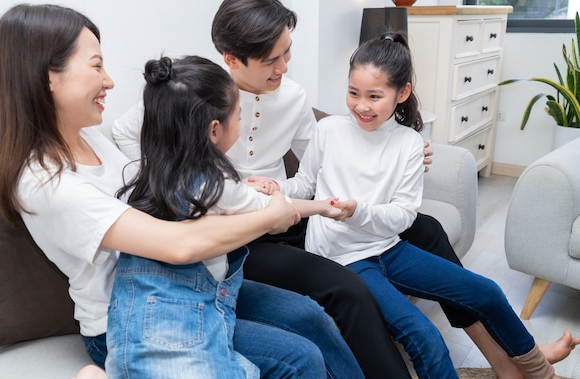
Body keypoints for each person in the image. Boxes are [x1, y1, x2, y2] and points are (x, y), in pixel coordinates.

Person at [112, 0, 578, 377]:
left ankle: (508, 360)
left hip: (291, 210)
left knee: (430, 230)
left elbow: (323, 153)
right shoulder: (191, 95)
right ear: (233, 60)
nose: (286, 67)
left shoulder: (292, 97)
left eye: (288, 52)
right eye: (274, 59)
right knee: (347, 287)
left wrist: (399, 153)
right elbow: (131, 142)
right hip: (248, 227)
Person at [0, 4, 366, 378]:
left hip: (195, 285)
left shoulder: (91, 139)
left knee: (309, 316)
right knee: (298, 358)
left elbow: (168, 191)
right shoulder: (43, 182)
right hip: (134, 319)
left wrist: (233, 193)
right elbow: (177, 244)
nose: (110, 81)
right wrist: (269, 216)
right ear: (48, 76)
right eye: (96, 65)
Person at [270, 31, 570, 379]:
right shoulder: (329, 131)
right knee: (425, 336)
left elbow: (402, 216)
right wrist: (273, 187)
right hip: (343, 258)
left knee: (486, 291)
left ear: (403, 93)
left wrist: (357, 211)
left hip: (388, 247)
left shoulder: (411, 143)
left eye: (374, 96)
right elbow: (304, 184)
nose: (361, 105)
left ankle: (536, 371)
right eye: (353, 93)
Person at [105, 54, 363, 379]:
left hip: (146, 305)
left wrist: (316, 204)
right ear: (214, 130)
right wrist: (294, 201)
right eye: (238, 117)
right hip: (188, 308)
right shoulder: (214, 186)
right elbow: (278, 212)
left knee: (309, 316)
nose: (240, 124)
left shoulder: (147, 177)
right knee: (300, 357)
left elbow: (255, 204)